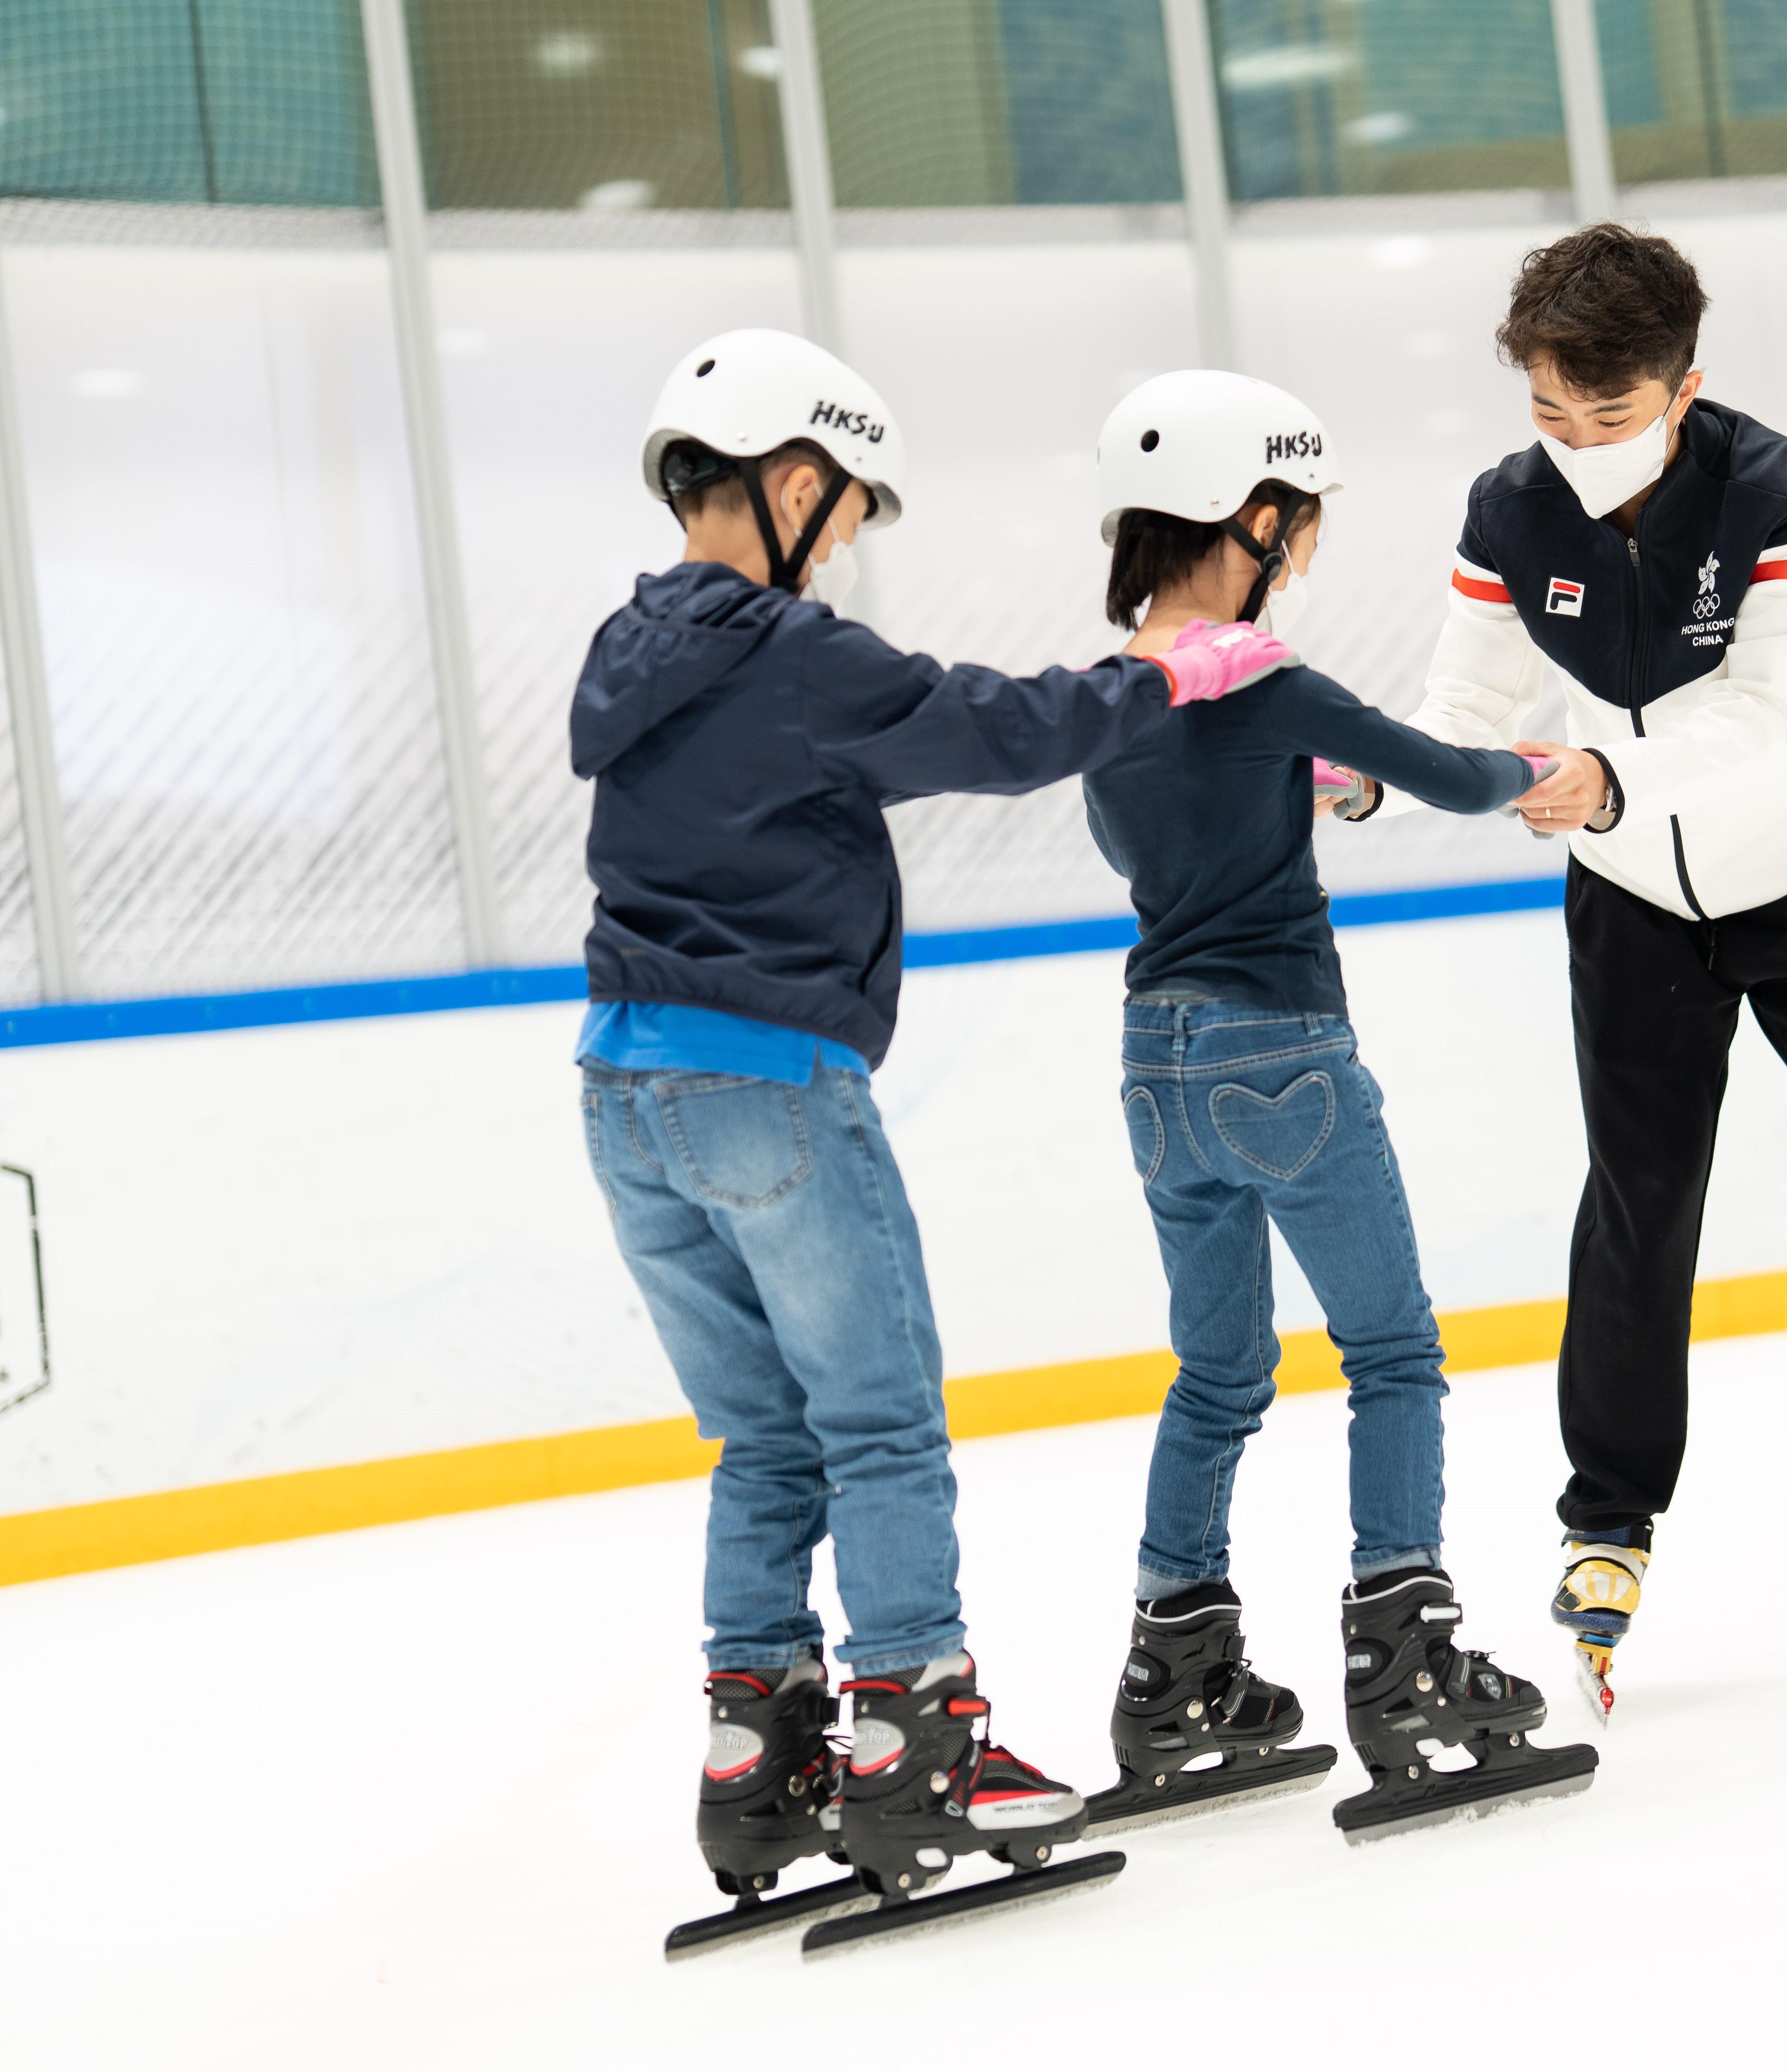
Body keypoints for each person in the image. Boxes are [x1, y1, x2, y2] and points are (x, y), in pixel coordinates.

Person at [578, 330, 1302, 1950]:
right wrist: (1165, 673)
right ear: (786, 478)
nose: (842, 541)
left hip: (621, 1094)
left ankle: (757, 1754)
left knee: (765, 1439)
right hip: (765, 1077)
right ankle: (918, 1740)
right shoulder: (786, 650)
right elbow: (990, 729)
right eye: (839, 508)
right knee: (882, 1425)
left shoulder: (635, 642)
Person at [1342, 225, 1787, 1718]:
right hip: (1630, 902)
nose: (1574, 449)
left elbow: (1778, 718)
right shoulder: (1508, 505)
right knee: (1637, 1200)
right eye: (1548, 416)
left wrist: (1607, 774)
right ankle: (1606, 1516)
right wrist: (1368, 775)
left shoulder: (1781, 492)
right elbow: (1469, 695)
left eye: (1605, 420)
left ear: (1684, 387)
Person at [1076, 370, 1600, 1844]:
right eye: (1296, 522)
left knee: (1217, 1377)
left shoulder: (1108, 700)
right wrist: (1541, 765)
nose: (1303, 548)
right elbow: (1441, 775)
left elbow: (1187, 822)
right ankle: (1406, 1656)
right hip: (1283, 1058)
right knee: (1392, 1355)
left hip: (1155, 1063)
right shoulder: (1268, 679)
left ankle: (1173, 1672)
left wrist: (1304, 791)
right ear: (1253, 516)